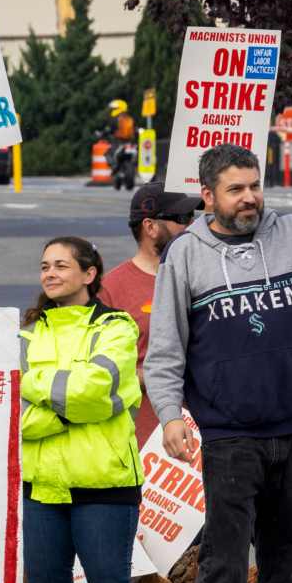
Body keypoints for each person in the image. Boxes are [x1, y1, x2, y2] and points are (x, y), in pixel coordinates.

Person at [145, 144, 292, 583]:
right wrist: (170, 416)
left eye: (254, 186)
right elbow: (164, 352)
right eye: (236, 189)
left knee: (282, 569)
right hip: (229, 436)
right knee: (222, 566)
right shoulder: (186, 257)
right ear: (208, 194)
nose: (249, 198)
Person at [18, 236, 147, 583]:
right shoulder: (28, 334)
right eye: (44, 265)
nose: (49, 273)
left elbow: (102, 392)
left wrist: (45, 396)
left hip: (103, 484)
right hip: (44, 485)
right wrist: (69, 409)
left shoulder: (117, 327)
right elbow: (19, 411)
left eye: (61, 265)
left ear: (90, 274)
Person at [98, 182, 201, 447]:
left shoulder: (206, 277)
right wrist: (163, 375)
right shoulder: (111, 290)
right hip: (143, 439)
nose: (191, 226)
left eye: (193, 217)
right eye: (181, 219)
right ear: (150, 227)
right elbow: (98, 371)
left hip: (210, 433)